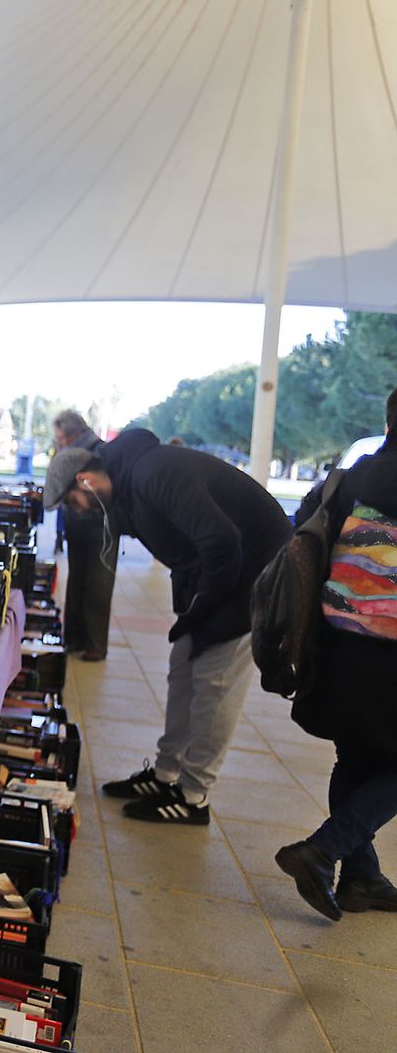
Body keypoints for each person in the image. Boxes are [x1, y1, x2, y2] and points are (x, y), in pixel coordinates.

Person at [44, 428, 291, 824]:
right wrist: (189, 611)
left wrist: (204, 607)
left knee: (215, 681)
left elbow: (221, 540)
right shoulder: (127, 491)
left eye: (73, 501)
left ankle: (193, 796)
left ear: (84, 480)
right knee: (183, 670)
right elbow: (185, 555)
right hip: (221, 572)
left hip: (256, 571)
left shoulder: (153, 472)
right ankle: (165, 774)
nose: (79, 509)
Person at [275, 387, 397, 920]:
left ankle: (361, 880)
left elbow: (301, 530)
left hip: (339, 644)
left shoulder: (350, 476)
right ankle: (324, 850)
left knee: (357, 757)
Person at [52, 409, 115, 661]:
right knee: (77, 579)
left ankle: (95, 644)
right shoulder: (68, 452)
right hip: (76, 522)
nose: (61, 443)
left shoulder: (98, 451)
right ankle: (74, 638)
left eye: (63, 438)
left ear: (75, 432)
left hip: (100, 525)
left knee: (98, 583)